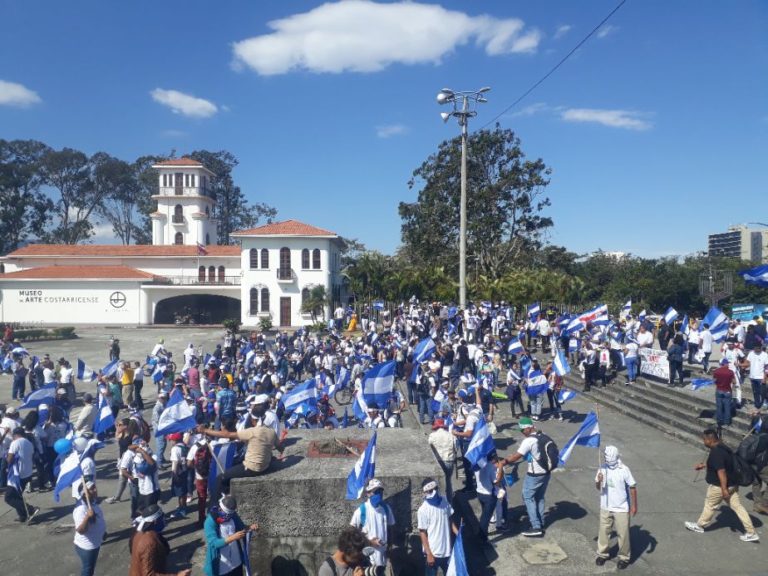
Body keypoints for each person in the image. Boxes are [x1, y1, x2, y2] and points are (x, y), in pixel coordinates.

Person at [685, 428, 759, 542]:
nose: (703, 442)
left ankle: (699, 526)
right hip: (733, 484)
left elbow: (721, 471)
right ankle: (751, 532)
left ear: (710, 440)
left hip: (720, 486)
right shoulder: (723, 447)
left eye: (704, 440)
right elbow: (724, 464)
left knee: (710, 505)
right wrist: (705, 465)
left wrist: (723, 489)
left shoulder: (716, 452)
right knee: (738, 507)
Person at [200, 415, 283, 505]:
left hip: (251, 468)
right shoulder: (271, 431)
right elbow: (280, 447)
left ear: (253, 421)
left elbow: (226, 434)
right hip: (265, 466)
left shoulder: (251, 432)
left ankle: (214, 506)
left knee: (220, 478)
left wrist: (205, 430)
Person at [497, 417, 550, 537]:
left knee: (527, 497)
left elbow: (516, 456)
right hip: (546, 472)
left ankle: (536, 526)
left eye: (522, 430)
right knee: (539, 497)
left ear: (528, 428)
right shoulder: (543, 435)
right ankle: (541, 521)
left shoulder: (529, 441)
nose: (522, 432)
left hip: (535, 473)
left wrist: (503, 462)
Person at [594, 446, 638, 570]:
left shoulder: (624, 470)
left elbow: (632, 487)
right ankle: (602, 554)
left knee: (623, 535)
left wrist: (634, 506)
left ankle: (624, 557)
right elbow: (598, 487)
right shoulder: (602, 468)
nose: (605, 458)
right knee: (604, 532)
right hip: (606, 506)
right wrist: (599, 481)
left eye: (607, 456)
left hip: (621, 508)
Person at [129, 504, 190, 576]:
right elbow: (149, 574)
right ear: (155, 522)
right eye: (162, 518)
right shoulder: (150, 543)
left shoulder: (139, 532)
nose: (165, 520)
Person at [204, 496, 258, 576]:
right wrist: (233, 537)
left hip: (236, 561)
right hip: (222, 566)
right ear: (220, 509)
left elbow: (242, 528)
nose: (229, 516)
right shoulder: (210, 521)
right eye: (227, 514)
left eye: (231, 514)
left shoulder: (233, 515)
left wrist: (250, 528)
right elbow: (213, 543)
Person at [349, 479, 396, 569]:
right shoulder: (362, 510)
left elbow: (390, 528)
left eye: (380, 491)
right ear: (368, 493)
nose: (378, 494)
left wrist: (390, 547)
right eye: (375, 491)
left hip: (383, 555)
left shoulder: (386, 508)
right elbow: (351, 532)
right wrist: (370, 542)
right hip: (367, 557)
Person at [417, 478, 457, 576]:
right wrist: (429, 554)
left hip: (447, 550)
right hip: (433, 552)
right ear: (425, 492)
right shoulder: (423, 510)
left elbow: (450, 519)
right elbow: (422, 533)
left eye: (435, 489)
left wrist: (458, 533)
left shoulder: (444, 500)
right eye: (430, 491)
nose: (434, 492)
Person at [5, 427, 40, 522]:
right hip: (27, 473)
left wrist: (6, 456)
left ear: (14, 435)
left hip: (18, 475)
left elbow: (9, 459)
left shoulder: (15, 443)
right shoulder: (29, 443)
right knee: (17, 496)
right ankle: (23, 516)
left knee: (9, 497)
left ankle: (30, 509)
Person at [73, 481, 106, 576]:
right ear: (84, 493)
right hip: (87, 547)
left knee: (90, 568)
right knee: (88, 570)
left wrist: (103, 532)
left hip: (95, 542)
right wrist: (87, 517)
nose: (95, 490)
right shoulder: (81, 509)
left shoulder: (93, 503)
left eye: (95, 487)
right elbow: (80, 530)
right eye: (91, 489)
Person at [427, 419, 457, 500]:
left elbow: (428, 448)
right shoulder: (451, 436)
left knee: (438, 482)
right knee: (448, 481)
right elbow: (456, 449)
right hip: (449, 460)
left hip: (438, 461)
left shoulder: (432, 436)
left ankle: (440, 500)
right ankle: (449, 501)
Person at [712, 358, 735, 429]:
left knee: (719, 406)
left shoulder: (716, 371)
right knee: (727, 407)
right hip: (727, 391)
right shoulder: (731, 372)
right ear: (725, 364)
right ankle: (727, 422)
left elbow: (714, 381)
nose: (728, 364)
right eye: (727, 363)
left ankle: (719, 421)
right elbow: (734, 382)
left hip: (719, 390)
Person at [744, 344, 768, 409]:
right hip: (752, 377)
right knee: (755, 392)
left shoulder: (765, 355)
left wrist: (764, 377)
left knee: (762, 392)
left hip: (761, 377)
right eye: (755, 348)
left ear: (761, 348)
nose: (756, 349)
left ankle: (765, 402)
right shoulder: (751, 353)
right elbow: (747, 363)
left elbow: (766, 367)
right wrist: (740, 365)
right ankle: (757, 405)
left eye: (758, 348)